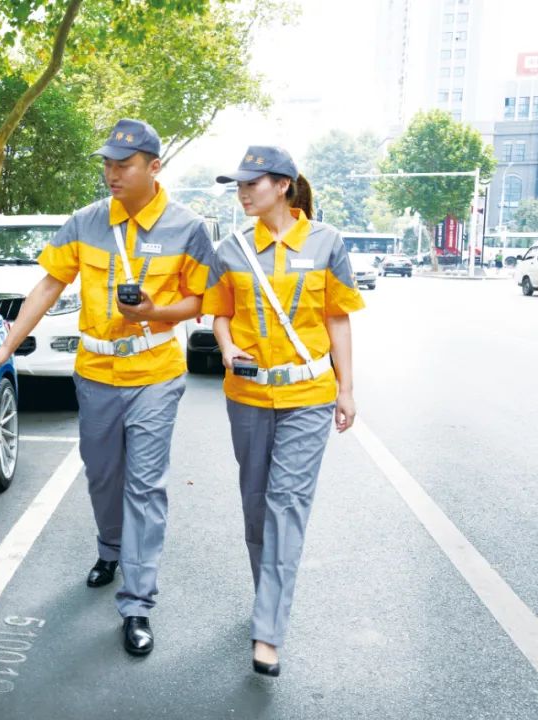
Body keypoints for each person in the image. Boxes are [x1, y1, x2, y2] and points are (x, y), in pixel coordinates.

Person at [0, 119, 214, 656]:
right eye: (106, 163)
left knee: (146, 486)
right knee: (103, 475)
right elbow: (50, 283)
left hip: (155, 373)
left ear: (154, 167)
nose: (111, 173)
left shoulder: (188, 227)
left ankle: (138, 603)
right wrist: (7, 346)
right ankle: (109, 548)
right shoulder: (84, 222)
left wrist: (155, 311)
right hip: (96, 373)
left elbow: (200, 301)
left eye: (123, 165)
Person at [204, 146, 364, 677]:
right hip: (247, 395)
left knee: (286, 504)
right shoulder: (229, 249)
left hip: (308, 396)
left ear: (284, 186)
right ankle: (266, 594)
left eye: (253, 183)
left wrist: (346, 389)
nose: (243, 192)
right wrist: (227, 350)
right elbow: (220, 315)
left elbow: (338, 319)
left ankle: (268, 629)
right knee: (256, 508)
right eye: (239, 184)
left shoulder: (326, 243)